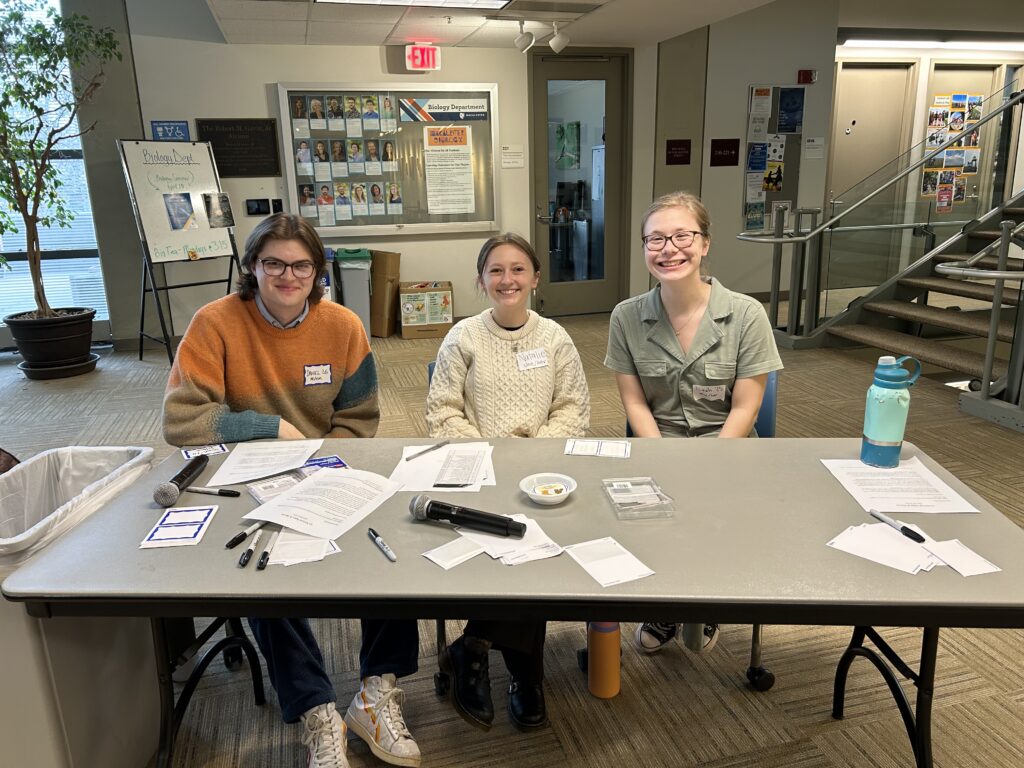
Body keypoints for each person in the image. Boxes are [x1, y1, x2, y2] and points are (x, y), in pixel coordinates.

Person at [162, 214, 422, 768]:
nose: (288, 276)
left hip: (327, 470)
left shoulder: (343, 326)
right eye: (274, 263)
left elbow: (360, 418)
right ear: (252, 266)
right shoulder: (214, 324)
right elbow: (181, 420)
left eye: (302, 265)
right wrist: (269, 427)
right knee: (261, 577)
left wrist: (326, 466)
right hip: (247, 480)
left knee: (390, 547)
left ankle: (375, 693)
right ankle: (316, 710)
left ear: (317, 271)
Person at [604, 191, 782, 656]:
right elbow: (634, 404)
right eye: (656, 239)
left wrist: (708, 465)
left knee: (716, 514)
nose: (669, 249)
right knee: (644, 520)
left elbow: (746, 408)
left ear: (705, 244)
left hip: (730, 447)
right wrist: (666, 460)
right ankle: (666, 603)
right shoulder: (626, 317)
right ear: (644, 248)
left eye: (682, 236)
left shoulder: (746, 314)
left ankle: (708, 599)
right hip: (656, 445)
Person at [425, 233, 590, 732]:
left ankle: (476, 644)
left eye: (518, 269)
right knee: (526, 547)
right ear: (481, 281)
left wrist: (533, 454)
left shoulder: (555, 338)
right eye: (495, 270)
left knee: (533, 543)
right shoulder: (463, 337)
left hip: (543, 474)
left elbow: (574, 410)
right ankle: (525, 676)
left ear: (535, 278)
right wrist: (488, 456)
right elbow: (442, 411)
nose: (507, 279)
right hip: (478, 471)